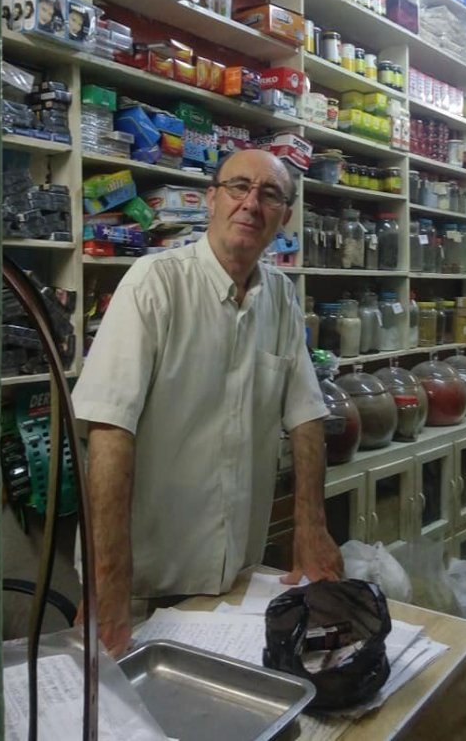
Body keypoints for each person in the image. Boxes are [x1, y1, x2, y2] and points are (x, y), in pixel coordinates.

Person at [72, 149, 343, 657]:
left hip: (234, 580)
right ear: (212, 199)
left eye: (270, 195)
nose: (251, 204)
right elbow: (109, 431)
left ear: (285, 216)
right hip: (142, 585)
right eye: (239, 187)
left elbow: (306, 416)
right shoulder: (155, 283)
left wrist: (312, 528)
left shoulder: (281, 298)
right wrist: (108, 582)